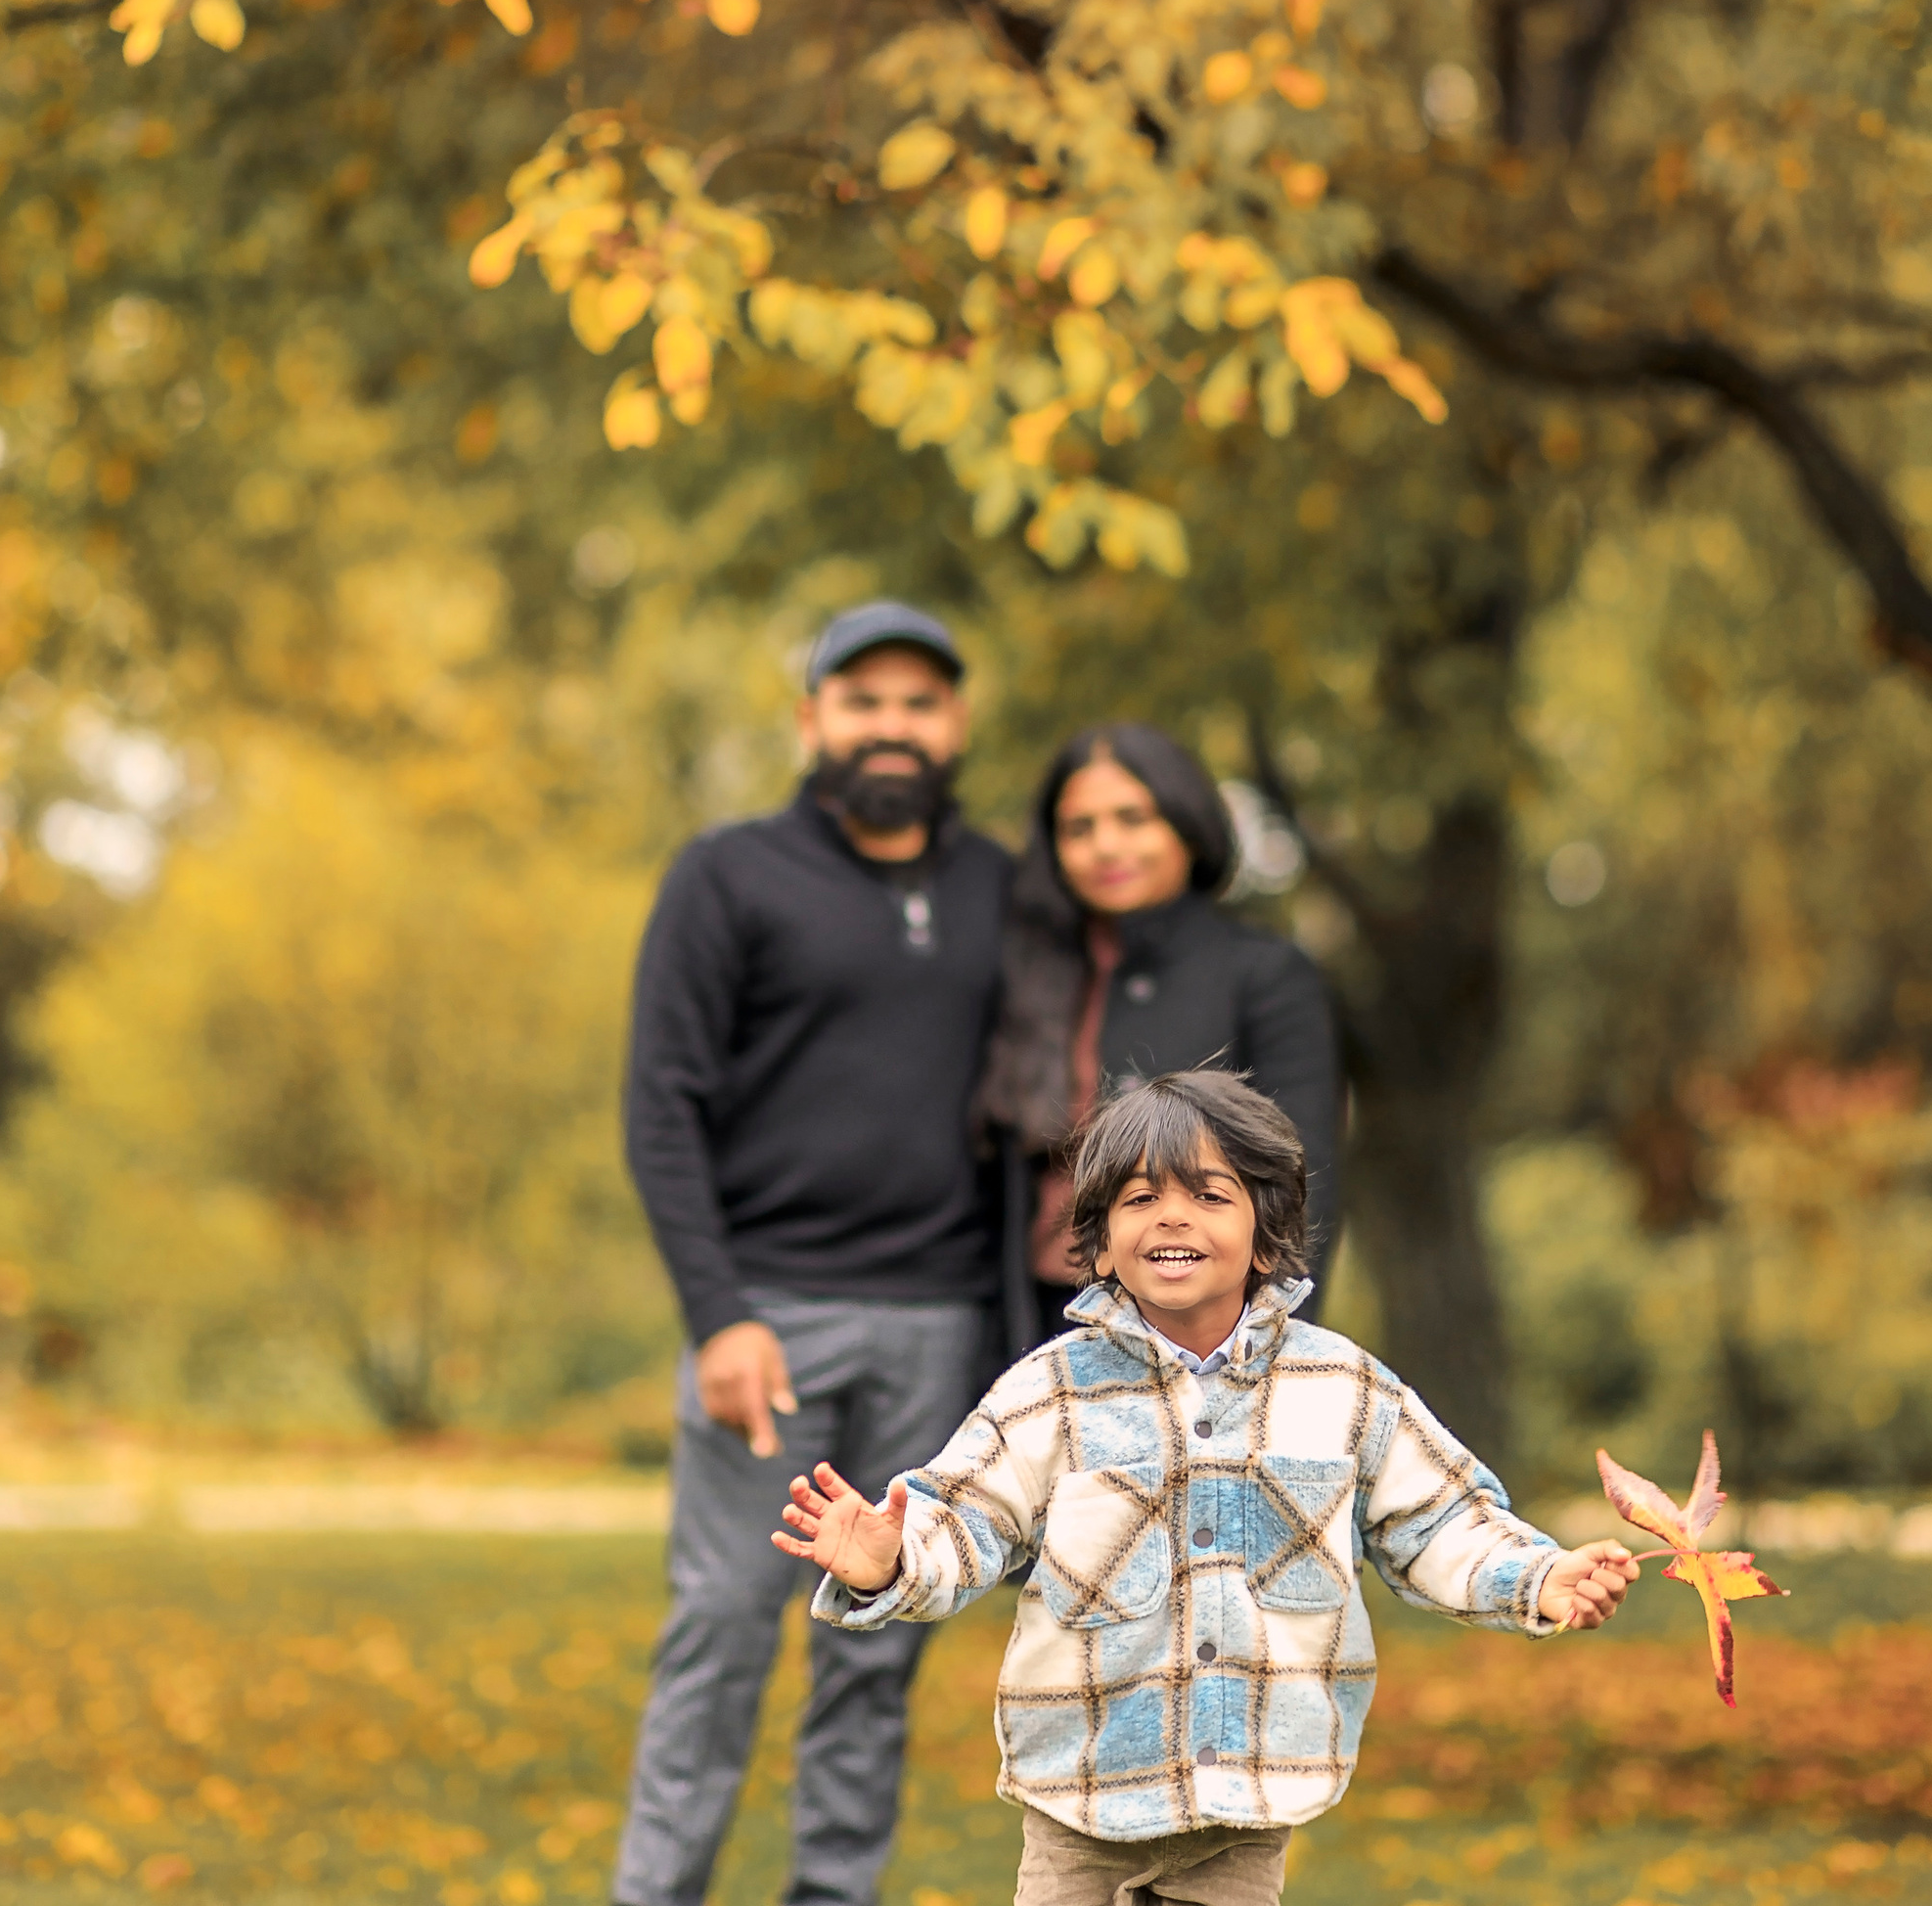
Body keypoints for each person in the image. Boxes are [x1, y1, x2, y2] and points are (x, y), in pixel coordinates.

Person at [770, 1069, 1641, 1906]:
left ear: (1267, 1234)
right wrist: (890, 1562)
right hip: (1080, 1791)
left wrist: (1536, 1576)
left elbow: (1441, 1520)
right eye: (1140, 1198)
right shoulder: (1049, 1393)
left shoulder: (1344, 1389)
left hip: (1250, 1799)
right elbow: (967, 1519)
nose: (1171, 1217)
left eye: (1209, 1195)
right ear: (1101, 1238)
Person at [614, 600, 1011, 1906]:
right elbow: (660, 1103)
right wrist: (717, 1312)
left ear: (954, 727)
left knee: (875, 1652)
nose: (890, 726)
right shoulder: (726, 876)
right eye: (863, 700)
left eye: (918, 703)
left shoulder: (1003, 889)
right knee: (721, 1632)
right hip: (768, 1322)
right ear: (811, 720)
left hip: (941, 1329)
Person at [976, 724, 1338, 1353]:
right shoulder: (1034, 973)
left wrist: (1271, 1347)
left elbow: (1307, 1178)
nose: (1105, 847)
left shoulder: (1262, 973)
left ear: (1188, 826)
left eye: (1132, 818)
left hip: (1195, 1323)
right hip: (1038, 1316)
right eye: (1079, 828)